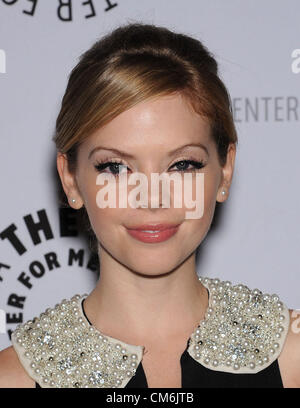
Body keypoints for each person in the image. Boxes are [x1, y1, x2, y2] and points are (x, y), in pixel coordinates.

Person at [0, 22, 299, 388]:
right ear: (71, 179)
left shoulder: (291, 357)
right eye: (116, 167)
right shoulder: (12, 378)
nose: (152, 197)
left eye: (182, 165)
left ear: (224, 171)